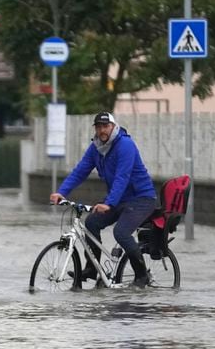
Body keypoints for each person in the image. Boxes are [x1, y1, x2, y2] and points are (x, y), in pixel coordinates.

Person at [49, 112, 157, 287]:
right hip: (119, 199)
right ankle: (92, 268)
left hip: (141, 199)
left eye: (105, 126)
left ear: (113, 127)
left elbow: (122, 177)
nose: (102, 130)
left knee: (121, 232)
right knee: (91, 223)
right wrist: (61, 192)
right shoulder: (96, 148)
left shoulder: (125, 145)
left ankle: (141, 275)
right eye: (98, 127)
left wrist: (108, 203)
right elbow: (80, 171)